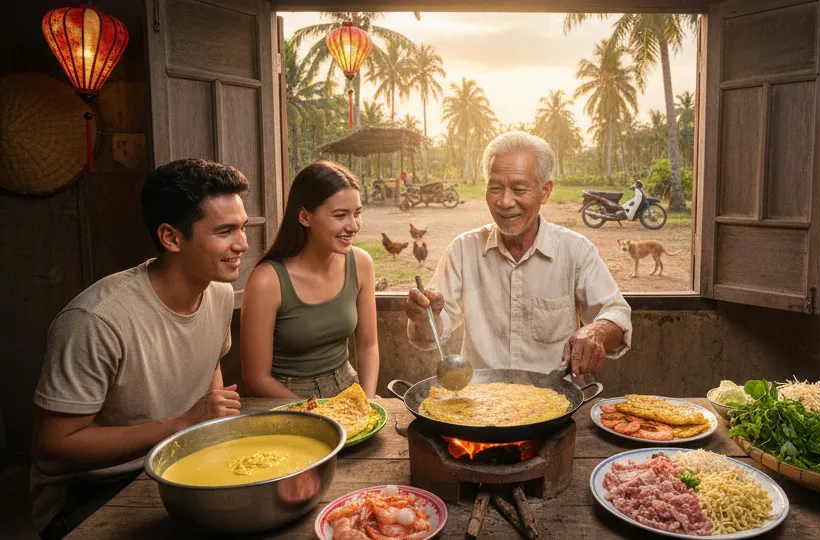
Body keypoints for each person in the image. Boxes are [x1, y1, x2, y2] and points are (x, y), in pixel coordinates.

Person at [31, 158, 249, 539]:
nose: (243, 244)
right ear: (171, 238)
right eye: (225, 231)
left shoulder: (219, 294)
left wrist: (210, 421)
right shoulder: (97, 319)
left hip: (180, 464)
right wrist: (181, 423)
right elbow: (52, 450)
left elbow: (210, 365)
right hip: (93, 492)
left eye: (242, 228)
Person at [405, 132, 632, 377]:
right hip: (480, 407)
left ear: (545, 191)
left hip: (555, 403)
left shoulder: (575, 250)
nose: (504, 201)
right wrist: (426, 317)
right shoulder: (463, 250)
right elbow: (432, 337)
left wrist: (597, 331)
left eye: (519, 188)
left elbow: (617, 313)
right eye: (495, 187)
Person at [240, 161, 379, 399]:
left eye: (357, 214)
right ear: (305, 216)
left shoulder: (361, 263)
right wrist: (316, 415)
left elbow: (368, 346)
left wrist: (366, 403)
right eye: (340, 215)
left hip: (348, 388)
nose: (353, 226)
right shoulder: (267, 281)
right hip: (287, 400)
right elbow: (256, 379)